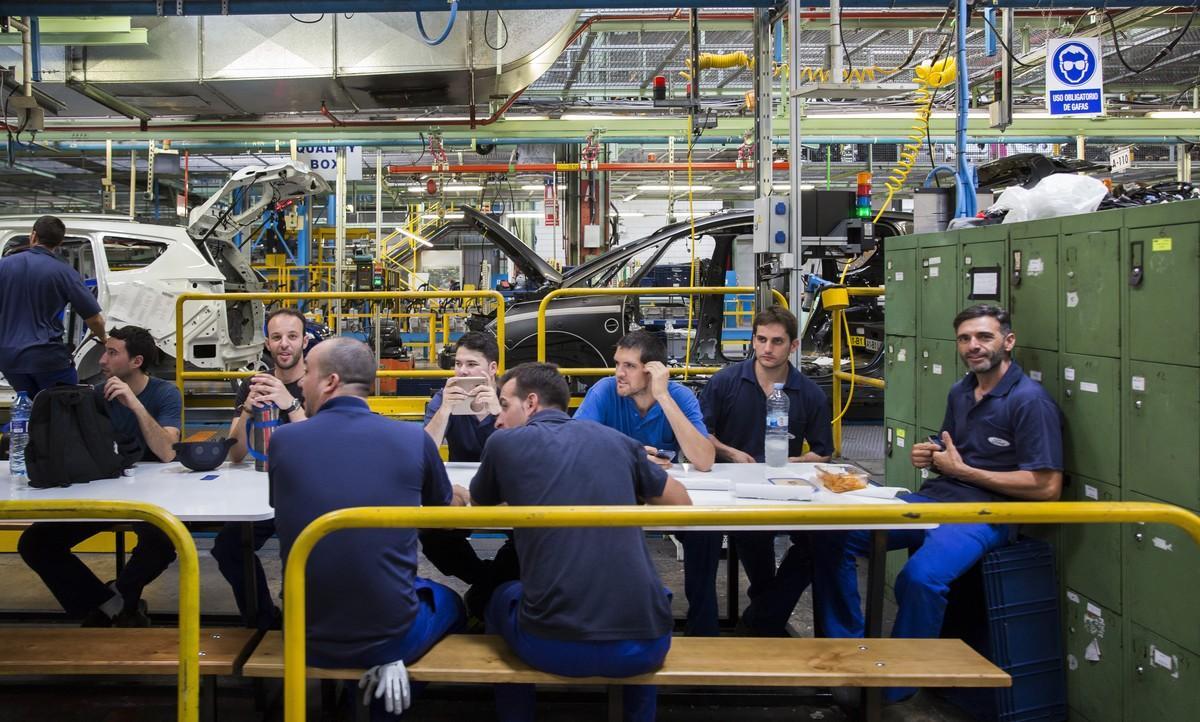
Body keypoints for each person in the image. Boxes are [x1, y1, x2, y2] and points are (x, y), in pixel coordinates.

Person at [813, 305, 1063, 703]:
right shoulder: (961, 391)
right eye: (965, 338)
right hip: (937, 498)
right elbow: (957, 452)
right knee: (833, 539)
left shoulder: (1030, 402)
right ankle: (850, 653)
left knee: (919, 577)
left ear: (1008, 341)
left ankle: (894, 686)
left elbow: (1047, 486)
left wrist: (963, 472)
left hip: (987, 513)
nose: (973, 346)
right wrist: (930, 453)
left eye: (984, 337)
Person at [470, 362, 692, 722]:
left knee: (497, 597)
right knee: (646, 599)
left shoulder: (504, 443)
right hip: (646, 645)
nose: (498, 419)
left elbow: (478, 506)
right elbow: (681, 502)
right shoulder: (618, 442)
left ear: (530, 403)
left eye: (505, 406)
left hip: (554, 645)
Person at [271, 337, 468, 719]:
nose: (300, 383)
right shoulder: (413, 439)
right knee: (454, 604)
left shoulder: (284, 441)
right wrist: (457, 494)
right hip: (389, 637)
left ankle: (359, 691)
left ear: (329, 382)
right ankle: (388, 684)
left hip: (304, 635)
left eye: (307, 372)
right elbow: (444, 515)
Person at [18, 325, 184, 627]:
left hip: (154, 496)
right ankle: (109, 606)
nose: (103, 361)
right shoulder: (94, 395)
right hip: (106, 491)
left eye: (112, 353)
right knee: (35, 543)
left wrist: (133, 405)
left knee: (160, 542)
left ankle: (118, 599)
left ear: (136, 361)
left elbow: (168, 452)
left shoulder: (165, 393)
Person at [688, 305, 834, 636]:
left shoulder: (809, 394)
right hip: (729, 491)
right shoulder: (725, 383)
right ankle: (763, 618)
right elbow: (701, 432)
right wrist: (730, 452)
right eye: (762, 339)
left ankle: (761, 616)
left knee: (823, 544)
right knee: (753, 540)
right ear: (752, 340)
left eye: (777, 342)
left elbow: (823, 452)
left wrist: (798, 462)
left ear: (793, 346)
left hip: (782, 490)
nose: (768, 349)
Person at [211, 307, 309, 629]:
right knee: (227, 548)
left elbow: (319, 448)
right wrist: (247, 412)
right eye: (277, 337)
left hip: (306, 492)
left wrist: (289, 403)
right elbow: (236, 454)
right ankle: (264, 623)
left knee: (301, 552)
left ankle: (302, 622)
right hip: (262, 494)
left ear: (304, 341)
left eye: (292, 337)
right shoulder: (254, 384)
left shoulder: (319, 382)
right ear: (267, 343)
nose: (284, 344)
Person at [421, 331, 517, 619]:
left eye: (472, 364)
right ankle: (486, 583)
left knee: (533, 537)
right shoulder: (443, 398)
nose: (463, 371)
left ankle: (488, 588)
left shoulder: (510, 398)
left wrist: (499, 411)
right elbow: (423, 450)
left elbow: (528, 450)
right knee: (430, 534)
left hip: (507, 492)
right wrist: (446, 410)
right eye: (458, 364)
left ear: (492, 369)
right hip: (463, 490)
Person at [574, 329, 715, 472]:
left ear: (654, 370)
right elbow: (574, 447)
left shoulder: (680, 396)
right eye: (617, 363)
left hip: (662, 484)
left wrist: (663, 397)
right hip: (614, 481)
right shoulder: (604, 391)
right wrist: (631, 457)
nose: (619, 373)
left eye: (629, 366)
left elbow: (704, 461)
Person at [0, 215, 107, 397]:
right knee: (67, 408)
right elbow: (94, 318)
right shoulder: (64, 272)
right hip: (47, 358)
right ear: (59, 242)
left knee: (31, 409)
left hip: (9, 359)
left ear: (33, 236)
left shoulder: (4, 265)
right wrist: (104, 339)